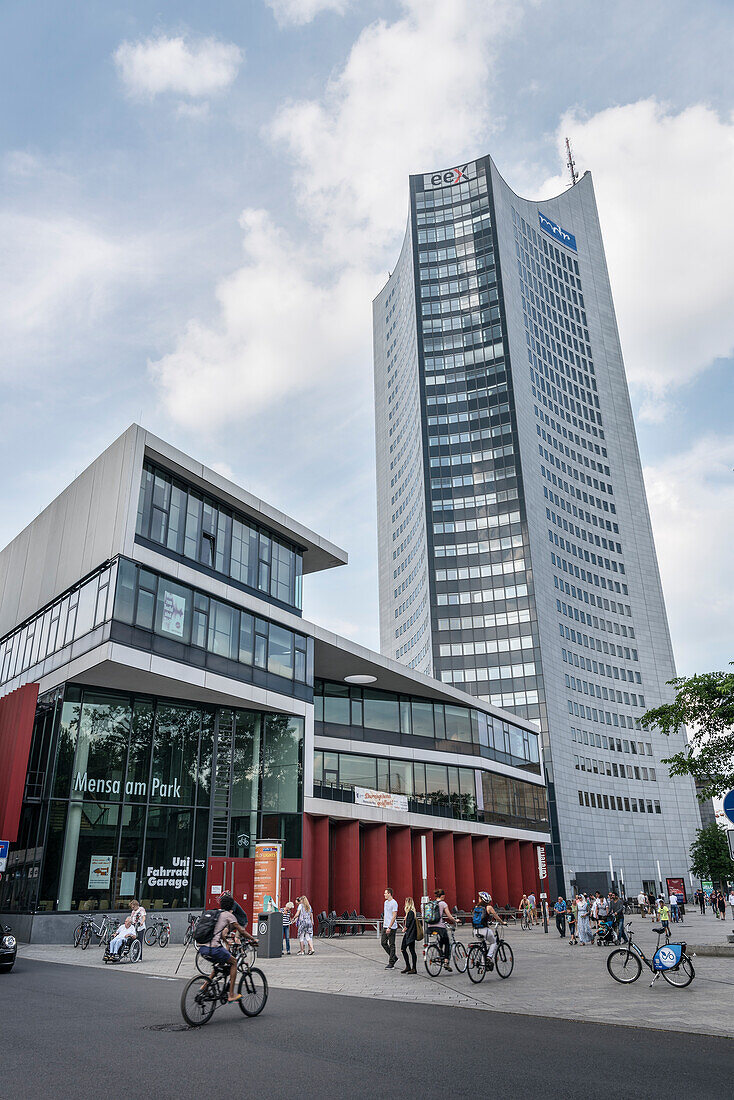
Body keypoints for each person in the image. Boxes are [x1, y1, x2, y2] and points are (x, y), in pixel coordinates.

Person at [198, 894, 255, 1003]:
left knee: (219, 966)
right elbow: (242, 931)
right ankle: (231, 994)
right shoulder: (229, 915)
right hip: (213, 949)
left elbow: (221, 933)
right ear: (232, 905)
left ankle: (204, 987)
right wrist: (253, 939)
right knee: (233, 962)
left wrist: (225, 941)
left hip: (202, 948)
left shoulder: (216, 914)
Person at [473, 890, 506, 969]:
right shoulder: (489, 907)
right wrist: (502, 922)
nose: (478, 899)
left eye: (479, 898)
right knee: (493, 942)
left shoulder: (476, 907)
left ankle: (482, 966)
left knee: (483, 946)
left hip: (475, 930)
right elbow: (496, 917)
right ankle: (489, 957)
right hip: (484, 930)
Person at [427, 888, 457, 971]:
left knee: (440, 942)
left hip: (430, 926)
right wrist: (455, 920)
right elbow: (449, 916)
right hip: (440, 927)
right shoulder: (443, 904)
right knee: (447, 943)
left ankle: (440, 952)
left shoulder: (431, 903)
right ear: (443, 896)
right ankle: (446, 962)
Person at [382, 887, 399, 970]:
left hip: (391, 927)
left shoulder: (394, 903)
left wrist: (389, 927)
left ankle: (391, 963)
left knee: (392, 944)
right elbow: (386, 914)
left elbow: (394, 916)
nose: (384, 894)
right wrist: (384, 924)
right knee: (383, 943)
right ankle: (394, 957)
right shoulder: (385, 902)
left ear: (389, 894)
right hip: (385, 926)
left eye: (385, 893)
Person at [400, 896, 418, 974]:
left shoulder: (410, 912)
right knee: (410, 950)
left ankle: (412, 967)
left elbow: (408, 924)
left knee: (405, 949)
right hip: (410, 934)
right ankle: (410, 967)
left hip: (409, 934)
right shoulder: (411, 912)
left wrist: (404, 928)